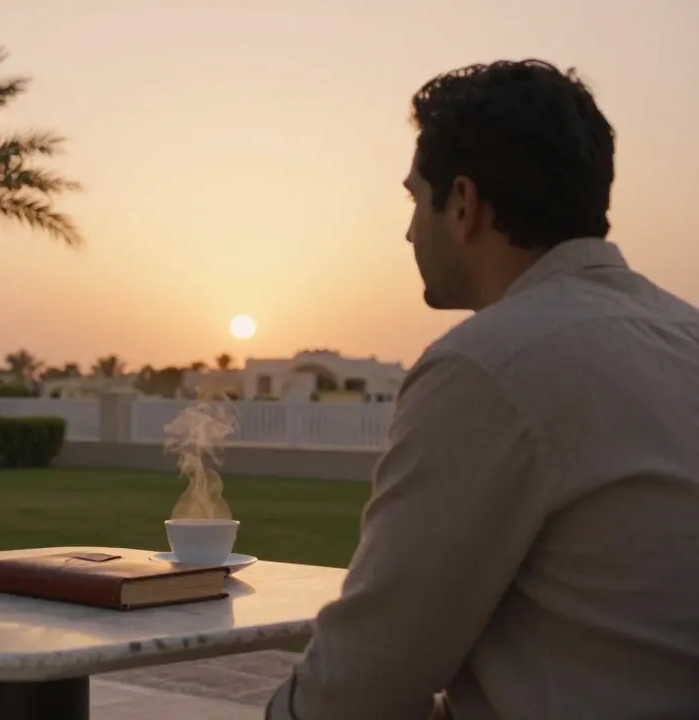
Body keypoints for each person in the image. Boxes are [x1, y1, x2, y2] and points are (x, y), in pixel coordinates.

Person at [267, 60, 699, 719]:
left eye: (415, 200)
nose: (409, 230)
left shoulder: (489, 367)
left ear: (463, 204)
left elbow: (358, 687)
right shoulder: (681, 333)